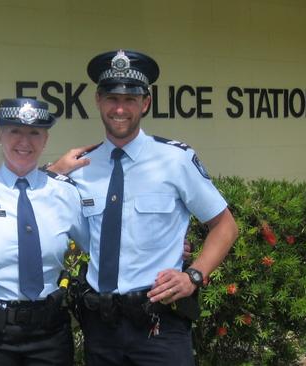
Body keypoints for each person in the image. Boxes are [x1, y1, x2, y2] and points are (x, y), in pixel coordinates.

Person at [49, 49, 239, 365]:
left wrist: (193, 276)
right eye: (111, 98)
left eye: (130, 99)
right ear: (97, 100)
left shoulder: (175, 160)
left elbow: (225, 226)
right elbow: (45, 222)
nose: (120, 108)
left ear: (145, 103)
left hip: (159, 326)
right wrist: (53, 173)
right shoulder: (80, 167)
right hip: (101, 327)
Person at [0, 98, 89, 366]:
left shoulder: (66, 193)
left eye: (34, 133)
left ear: (46, 139)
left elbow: (100, 248)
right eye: (14, 131)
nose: (24, 142)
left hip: (49, 336)